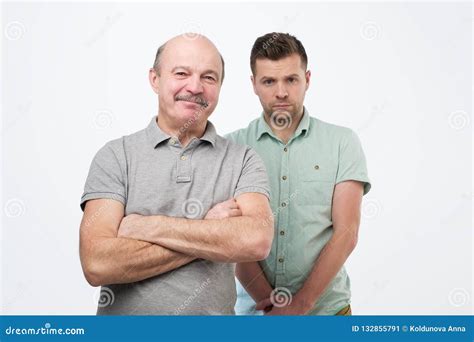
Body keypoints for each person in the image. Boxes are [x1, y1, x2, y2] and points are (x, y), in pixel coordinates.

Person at [79, 33, 274, 315]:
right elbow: (97, 264)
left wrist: (147, 227)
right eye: (181, 73)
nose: (195, 87)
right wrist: (210, 230)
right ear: (155, 79)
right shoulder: (116, 156)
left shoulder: (243, 160)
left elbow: (256, 240)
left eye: (209, 77)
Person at [226, 32, 371, 315]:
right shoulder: (231, 147)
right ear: (253, 84)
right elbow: (230, 237)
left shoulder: (342, 142)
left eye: (291, 79)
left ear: (307, 79)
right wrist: (271, 304)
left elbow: (347, 232)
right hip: (255, 314)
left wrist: (302, 303)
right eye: (269, 81)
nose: (281, 92)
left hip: (329, 312)